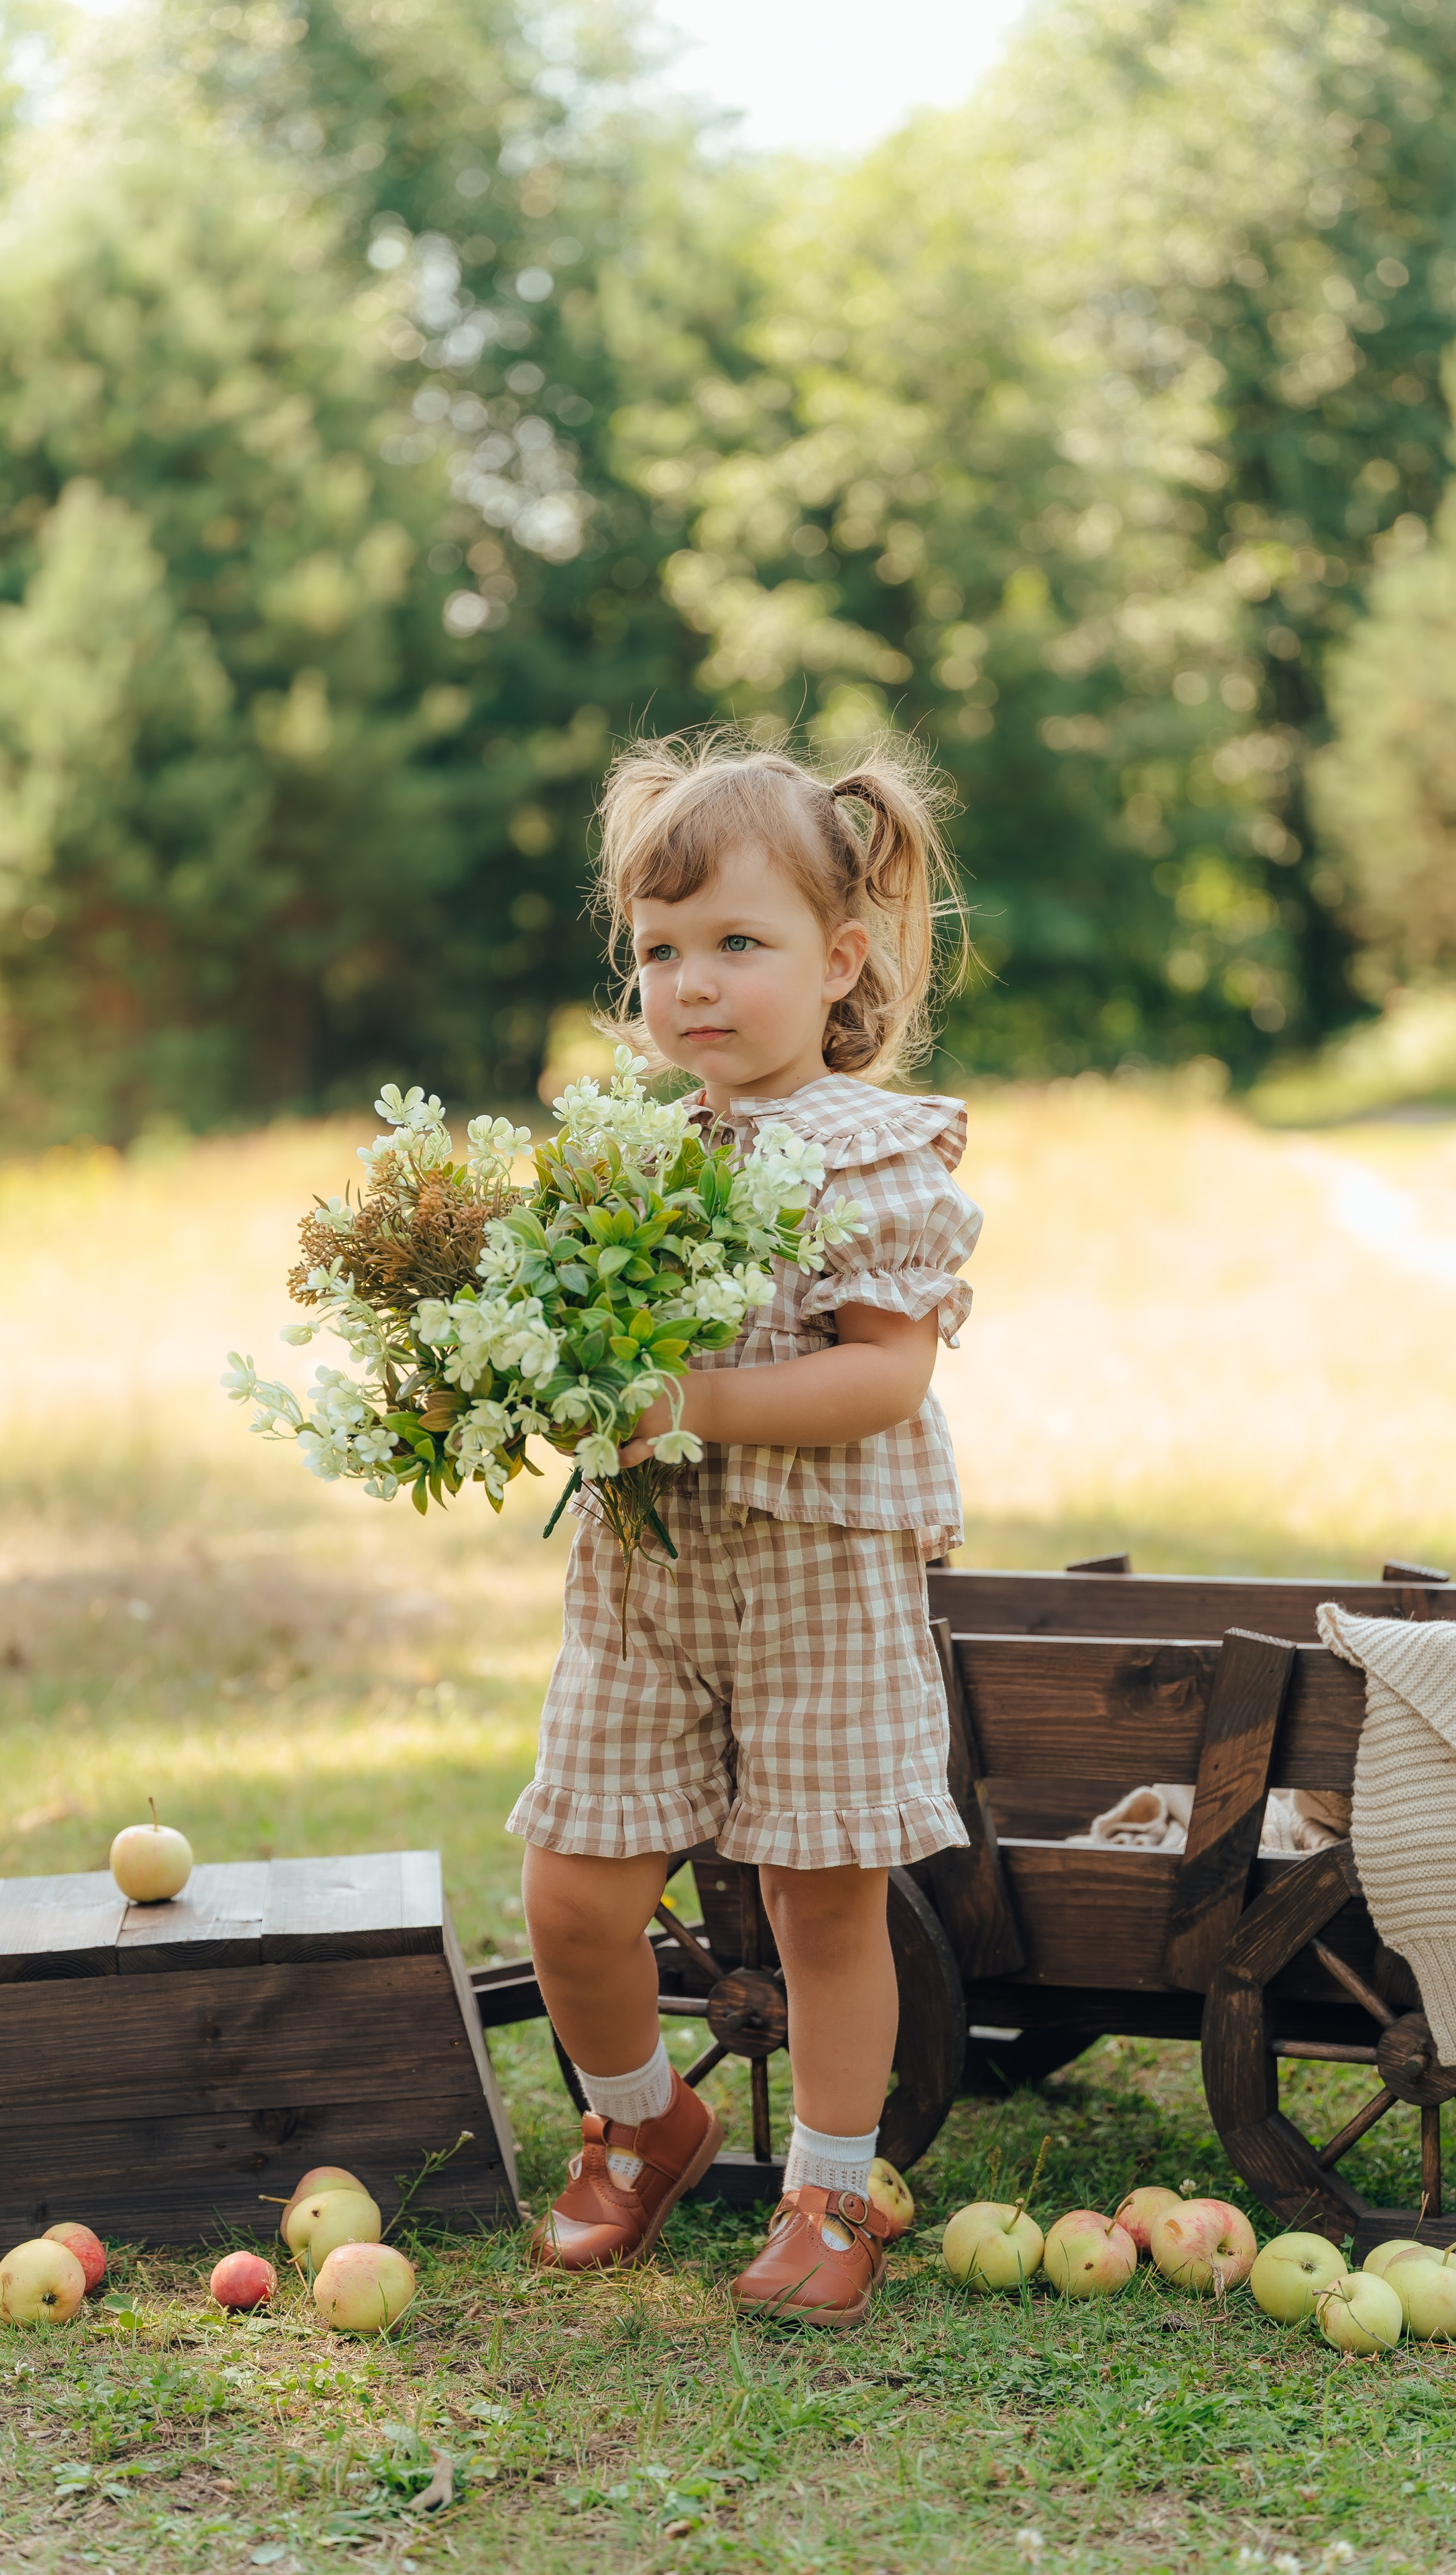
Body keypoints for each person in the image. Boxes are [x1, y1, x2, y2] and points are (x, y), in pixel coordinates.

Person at [509, 732, 982, 2327]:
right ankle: (646, 2126)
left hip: (818, 1574)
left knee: (819, 1897)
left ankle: (831, 2195)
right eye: (659, 951)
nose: (692, 984)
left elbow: (884, 1372)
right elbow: (583, 1357)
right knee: (570, 1890)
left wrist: (691, 1397)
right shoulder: (632, 1156)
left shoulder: (870, 1148)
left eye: (739, 943)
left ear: (839, 958)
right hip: (646, 1576)